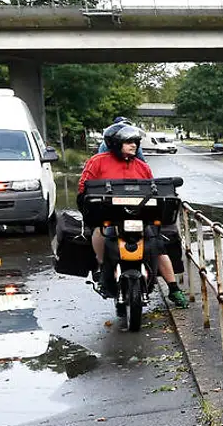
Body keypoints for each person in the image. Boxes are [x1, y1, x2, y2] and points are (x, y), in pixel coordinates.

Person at [78, 121, 189, 308]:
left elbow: (154, 190)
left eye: (135, 142)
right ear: (115, 143)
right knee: (99, 230)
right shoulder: (97, 162)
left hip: (140, 217)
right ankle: (102, 267)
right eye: (129, 142)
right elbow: (84, 188)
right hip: (110, 217)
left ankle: (173, 288)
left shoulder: (141, 166)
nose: (134, 145)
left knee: (158, 244)